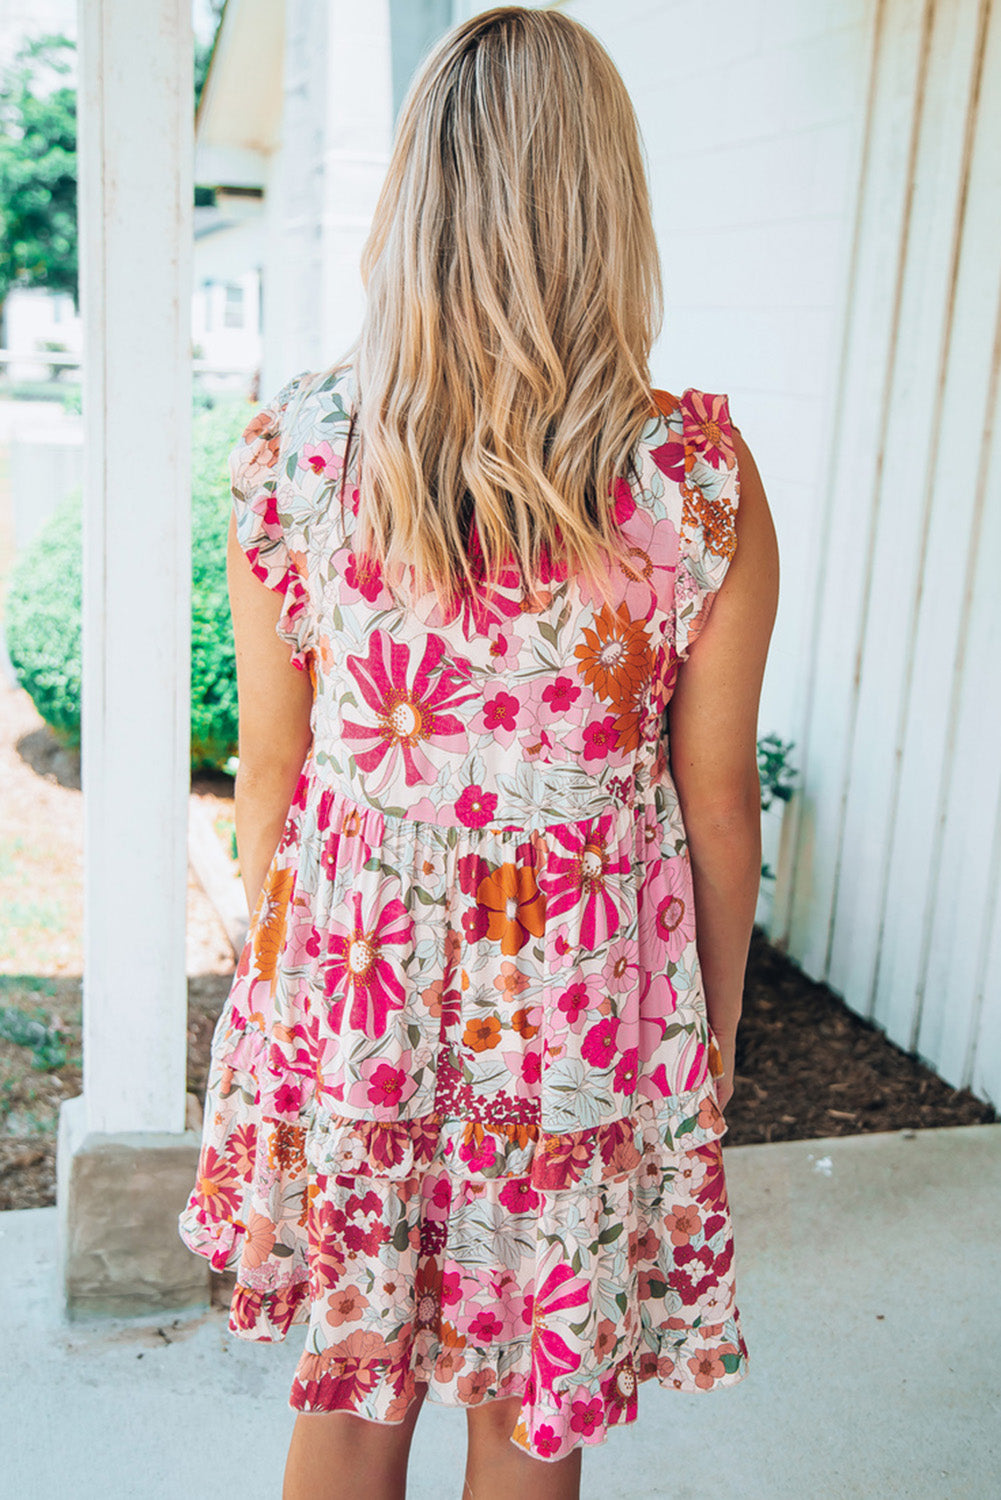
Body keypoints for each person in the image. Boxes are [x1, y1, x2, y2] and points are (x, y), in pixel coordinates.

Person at [178, 7, 779, 1498]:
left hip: (354, 985)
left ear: (414, 199)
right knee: (526, 1404)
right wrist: (708, 1032)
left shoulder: (300, 452)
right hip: (576, 1009)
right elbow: (716, 805)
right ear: (607, 208)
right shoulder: (689, 481)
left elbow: (273, 773)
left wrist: (287, 996)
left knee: (350, 1385)